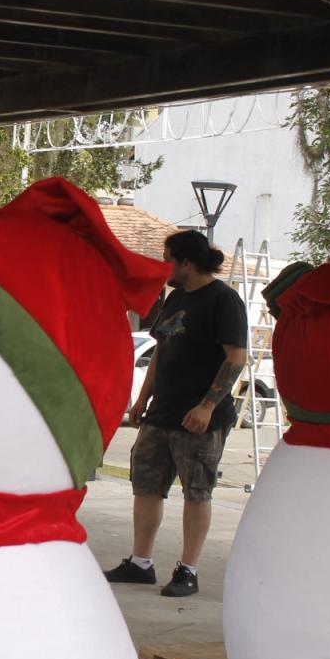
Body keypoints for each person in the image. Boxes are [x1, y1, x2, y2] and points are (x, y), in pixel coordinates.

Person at [105, 229, 247, 598]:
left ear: (186, 263)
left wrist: (207, 406)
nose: (163, 267)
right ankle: (140, 563)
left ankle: (188, 570)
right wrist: (142, 399)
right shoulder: (175, 298)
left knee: (196, 491)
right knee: (146, 486)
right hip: (161, 413)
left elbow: (236, 357)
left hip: (199, 419)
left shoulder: (224, 300)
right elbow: (162, 350)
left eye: (168, 260)